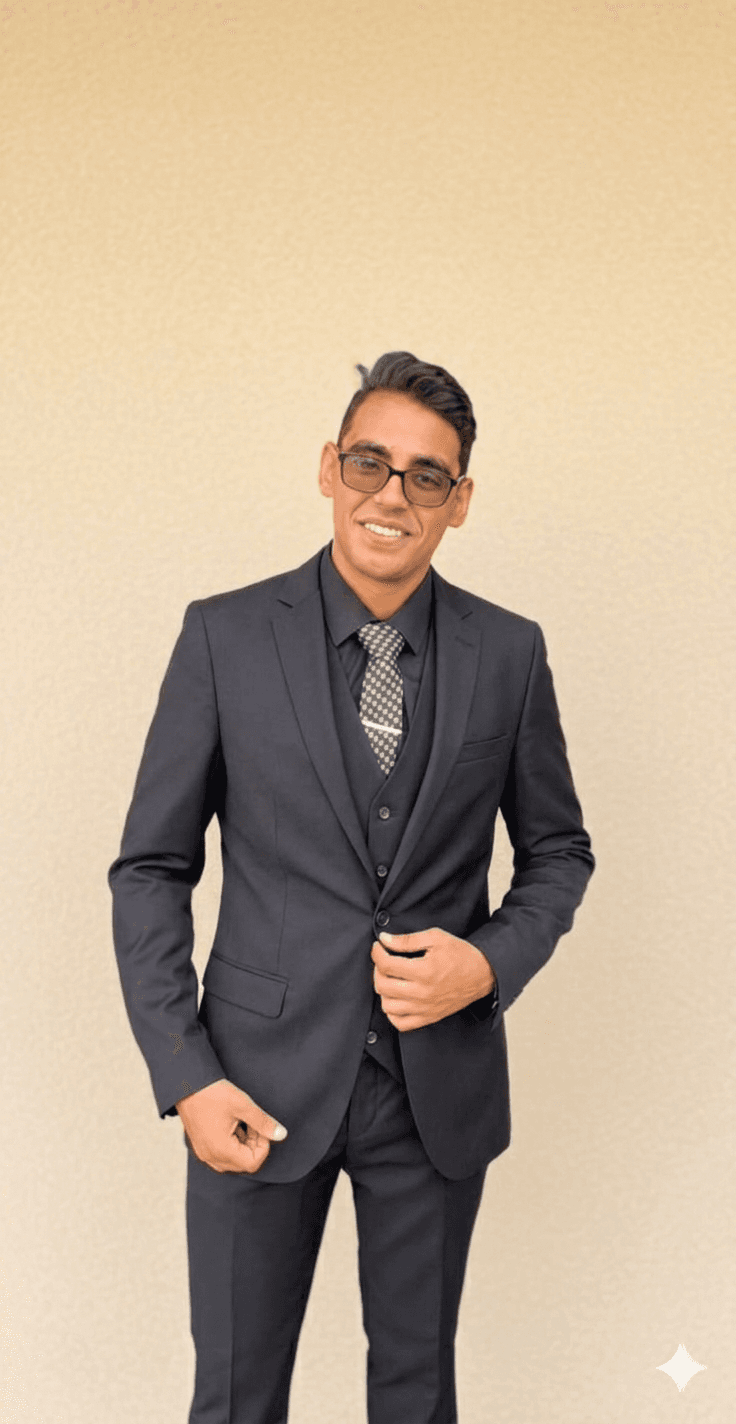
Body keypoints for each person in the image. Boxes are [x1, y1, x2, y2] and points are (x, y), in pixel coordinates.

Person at [109, 351, 594, 1424]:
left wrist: (488, 962)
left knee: (416, 1398)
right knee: (235, 1397)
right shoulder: (225, 636)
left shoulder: (507, 654)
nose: (393, 492)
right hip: (252, 1085)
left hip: (435, 1095)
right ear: (329, 468)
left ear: (458, 502)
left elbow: (558, 850)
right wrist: (187, 1074)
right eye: (371, 461)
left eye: (427, 475)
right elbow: (150, 868)